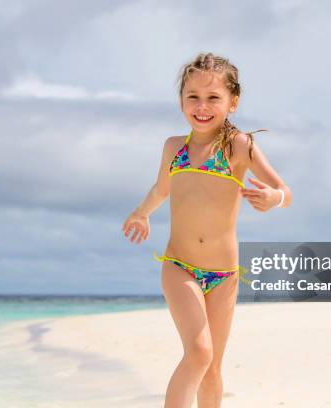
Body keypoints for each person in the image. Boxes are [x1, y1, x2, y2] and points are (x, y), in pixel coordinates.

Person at [122, 52, 292, 408]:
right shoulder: (174, 148)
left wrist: (272, 198)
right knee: (199, 354)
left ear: (233, 101)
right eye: (193, 97)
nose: (202, 106)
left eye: (213, 98)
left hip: (224, 275)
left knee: (212, 369)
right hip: (179, 266)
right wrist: (141, 213)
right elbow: (161, 190)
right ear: (182, 100)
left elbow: (284, 192)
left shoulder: (240, 146)